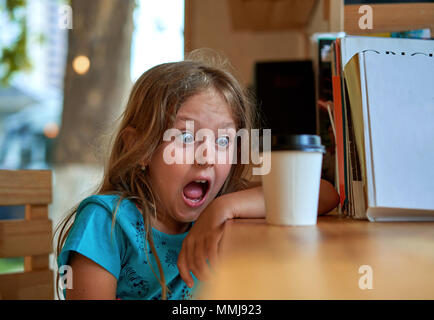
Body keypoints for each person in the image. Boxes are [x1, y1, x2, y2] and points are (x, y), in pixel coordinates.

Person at [54, 50, 340, 300]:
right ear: (138, 148)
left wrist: (223, 207)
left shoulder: (226, 207)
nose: (207, 156)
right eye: (186, 137)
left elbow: (322, 194)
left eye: (224, 141)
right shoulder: (107, 222)